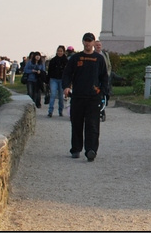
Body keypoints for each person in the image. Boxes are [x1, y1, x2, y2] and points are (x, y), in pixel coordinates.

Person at [63, 32, 109, 162]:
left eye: (90, 41)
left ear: (94, 43)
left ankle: (91, 150)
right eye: (86, 41)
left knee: (93, 125)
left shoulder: (99, 59)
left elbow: (104, 77)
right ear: (83, 42)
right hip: (78, 96)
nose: (88, 43)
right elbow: (67, 74)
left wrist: (103, 92)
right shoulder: (76, 58)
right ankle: (76, 148)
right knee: (77, 123)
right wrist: (66, 86)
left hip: (93, 97)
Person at [46, 45, 68, 118]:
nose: (59, 52)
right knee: (53, 94)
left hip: (62, 80)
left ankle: (60, 111)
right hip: (53, 79)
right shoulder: (53, 60)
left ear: (63, 52)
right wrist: (47, 81)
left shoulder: (66, 61)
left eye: (61, 51)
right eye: (58, 51)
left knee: (61, 97)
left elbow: (68, 72)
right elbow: (49, 71)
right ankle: (50, 111)